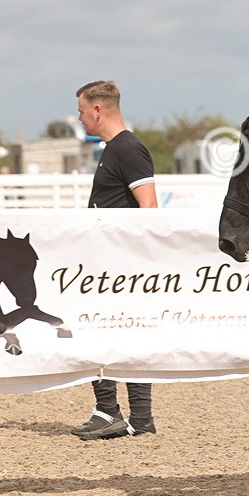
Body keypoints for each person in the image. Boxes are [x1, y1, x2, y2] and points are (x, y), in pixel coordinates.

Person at [70, 80, 159, 440]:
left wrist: (127, 261)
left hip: (120, 267)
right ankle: (130, 416)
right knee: (112, 332)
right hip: (109, 263)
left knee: (104, 330)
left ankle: (118, 414)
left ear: (97, 110)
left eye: (80, 111)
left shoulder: (129, 149)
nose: (79, 118)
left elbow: (149, 208)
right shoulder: (114, 149)